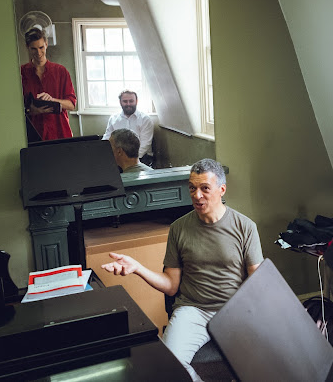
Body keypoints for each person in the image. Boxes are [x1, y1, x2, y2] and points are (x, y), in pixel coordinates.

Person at [101, 158, 264, 381]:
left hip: (234, 311)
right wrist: (138, 268)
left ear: (221, 189)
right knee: (167, 365)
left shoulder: (245, 227)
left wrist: (249, 317)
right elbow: (171, 286)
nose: (197, 195)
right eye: (192, 188)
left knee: (260, 364)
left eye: (205, 188)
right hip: (193, 310)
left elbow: (257, 283)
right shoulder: (179, 228)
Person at [21, 27, 76, 141]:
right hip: (33, 135)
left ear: (46, 44)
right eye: (33, 49)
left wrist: (52, 100)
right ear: (27, 48)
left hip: (60, 133)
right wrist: (30, 111)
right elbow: (14, 108)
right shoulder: (21, 73)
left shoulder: (61, 71)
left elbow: (71, 105)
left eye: (41, 47)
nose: (38, 53)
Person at [102, 90, 154, 166]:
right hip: (118, 157)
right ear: (120, 102)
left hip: (141, 158)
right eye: (125, 101)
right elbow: (107, 139)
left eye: (131, 101)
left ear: (136, 101)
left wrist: (129, 161)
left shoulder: (145, 119)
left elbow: (145, 144)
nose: (128, 104)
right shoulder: (113, 119)